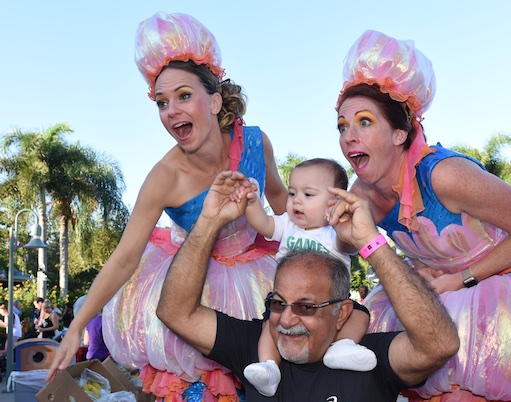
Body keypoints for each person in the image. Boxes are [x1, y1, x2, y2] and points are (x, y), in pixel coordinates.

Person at [335, 30, 511, 401]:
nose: (348, 136)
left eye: (364, 122)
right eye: (342, 126)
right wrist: (348, 229)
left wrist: (462, 279)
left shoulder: (446, 175)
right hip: (440, 297)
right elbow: (347, 247)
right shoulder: (362, 191)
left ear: (399, 134)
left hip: (509, 287)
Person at [46, 12, 287, 401]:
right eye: (162, 102)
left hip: (256, 277)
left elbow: (281, 202)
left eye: (184, 96)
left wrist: (320, 227)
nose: (171, 110)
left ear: (215, 101)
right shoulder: (164, 177)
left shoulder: (257, 143)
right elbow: (125, 258)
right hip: (190, 286)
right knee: (200, 387)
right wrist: (76, 327)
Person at [156, 170, 459, 401]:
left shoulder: (368, 359)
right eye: (278, 303)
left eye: (306, 306)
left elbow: (439, 345)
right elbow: (175, 312)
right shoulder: (255, 345)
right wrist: (210, 220)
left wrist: (370, 242)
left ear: (341, 313)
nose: (286, 319)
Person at [231, 158, 376, 396]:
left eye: (308, 194)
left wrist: (347, 221)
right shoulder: (288, 225)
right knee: (270, 325)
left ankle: (342, 346)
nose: (296, 200)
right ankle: (268, 366)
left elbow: (349, 243)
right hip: (287, 299)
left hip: (331, 302)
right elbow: (263, 223)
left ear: (334, 203)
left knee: (359, 315)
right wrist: (251, 201)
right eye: (292, 193)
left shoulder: (335, 233)